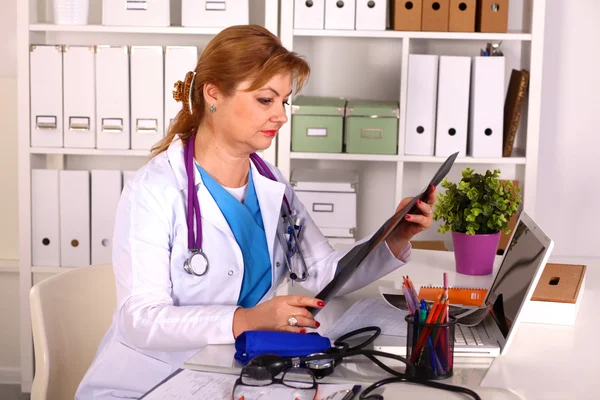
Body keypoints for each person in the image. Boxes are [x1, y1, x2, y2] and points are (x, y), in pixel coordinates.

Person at [75, 24, 437, 399]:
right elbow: (141, 319)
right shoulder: (153, 190)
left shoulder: (269, 182)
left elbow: (322, 274)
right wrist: (243, 321)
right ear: (213, 93)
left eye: (284, 101)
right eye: (266, 100)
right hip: (152, 381)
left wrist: (392, 236)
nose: (281, 116)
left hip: (232, 372)